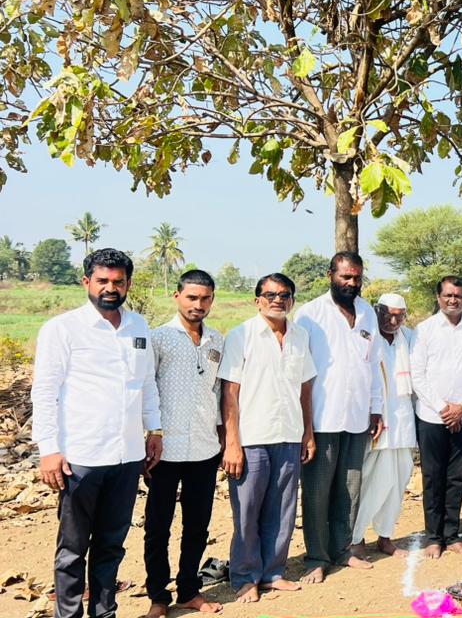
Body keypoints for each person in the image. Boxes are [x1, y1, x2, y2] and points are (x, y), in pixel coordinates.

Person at [32, 248, 162, 618]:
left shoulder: (138, 326)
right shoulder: (62, 329)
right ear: (86, 281)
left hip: (127, 455)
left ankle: (105, 612)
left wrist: (154, 429)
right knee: (72, 548)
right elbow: (44, 392)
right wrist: (49, 449)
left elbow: (146, 383)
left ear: (128, 284)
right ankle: (69, 613)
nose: (110, 288)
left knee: (111, 544)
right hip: (81, 457)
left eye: (118, 281)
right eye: (102, 280)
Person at [219, 273, 316, 603]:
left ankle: (273, 572)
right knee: (247, 512)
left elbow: (305, 388)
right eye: (270, 295)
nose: (277, 300)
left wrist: (308, 433)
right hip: (252, 437)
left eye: (284, 295)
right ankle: (246, 576)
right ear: (257, 300)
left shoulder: (300, 336)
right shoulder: (241, 335)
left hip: (289, 433)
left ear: (292, 300)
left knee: (283, 509)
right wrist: (232, 443)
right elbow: (230, 392)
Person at [294, 251, 384, 584]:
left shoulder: (367, 313)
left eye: (357, 277)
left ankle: (344, 550)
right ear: (330, 274)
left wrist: (376, 408)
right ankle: (317, 557)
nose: (351, 283)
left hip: (357, 416)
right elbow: (301, 374)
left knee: (350, 489)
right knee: (317, 492)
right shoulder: (310, 314)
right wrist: (306, 427)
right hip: (322, 417)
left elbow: (373, 364)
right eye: (345, 276)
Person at [144, 270, 225, 617]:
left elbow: (218, 391)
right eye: (192, 297)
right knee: (158, 527)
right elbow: (146, 390)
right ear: (177, 296)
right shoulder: (158, 338)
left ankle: (190, 590)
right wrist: (151, 434)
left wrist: (223, 437)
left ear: (212, 300)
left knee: (197, 525)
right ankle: (158, 596)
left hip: (205, 448)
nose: (198, 304)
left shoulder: (217, 340)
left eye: (205, 298)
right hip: (165, 449)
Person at [410, 276, 462, 558]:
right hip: (432, 417)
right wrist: (444, 408)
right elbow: (418, 375)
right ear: (438, 297)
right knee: (433, 477)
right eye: (448, 295)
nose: (453, 300)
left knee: (456, 478)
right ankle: (433, 537)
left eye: (458, 296)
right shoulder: (424, 330)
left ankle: (452, 536)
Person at [351, 294, 417, 559]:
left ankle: (385, 537)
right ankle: (356, 538)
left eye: (399, 316)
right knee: (370, 484)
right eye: (387, 314)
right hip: (377, 422)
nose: (393, 321)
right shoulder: (367, 337)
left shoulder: (409, 338)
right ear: (376, 311)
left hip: (404, 423)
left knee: (397, 483)